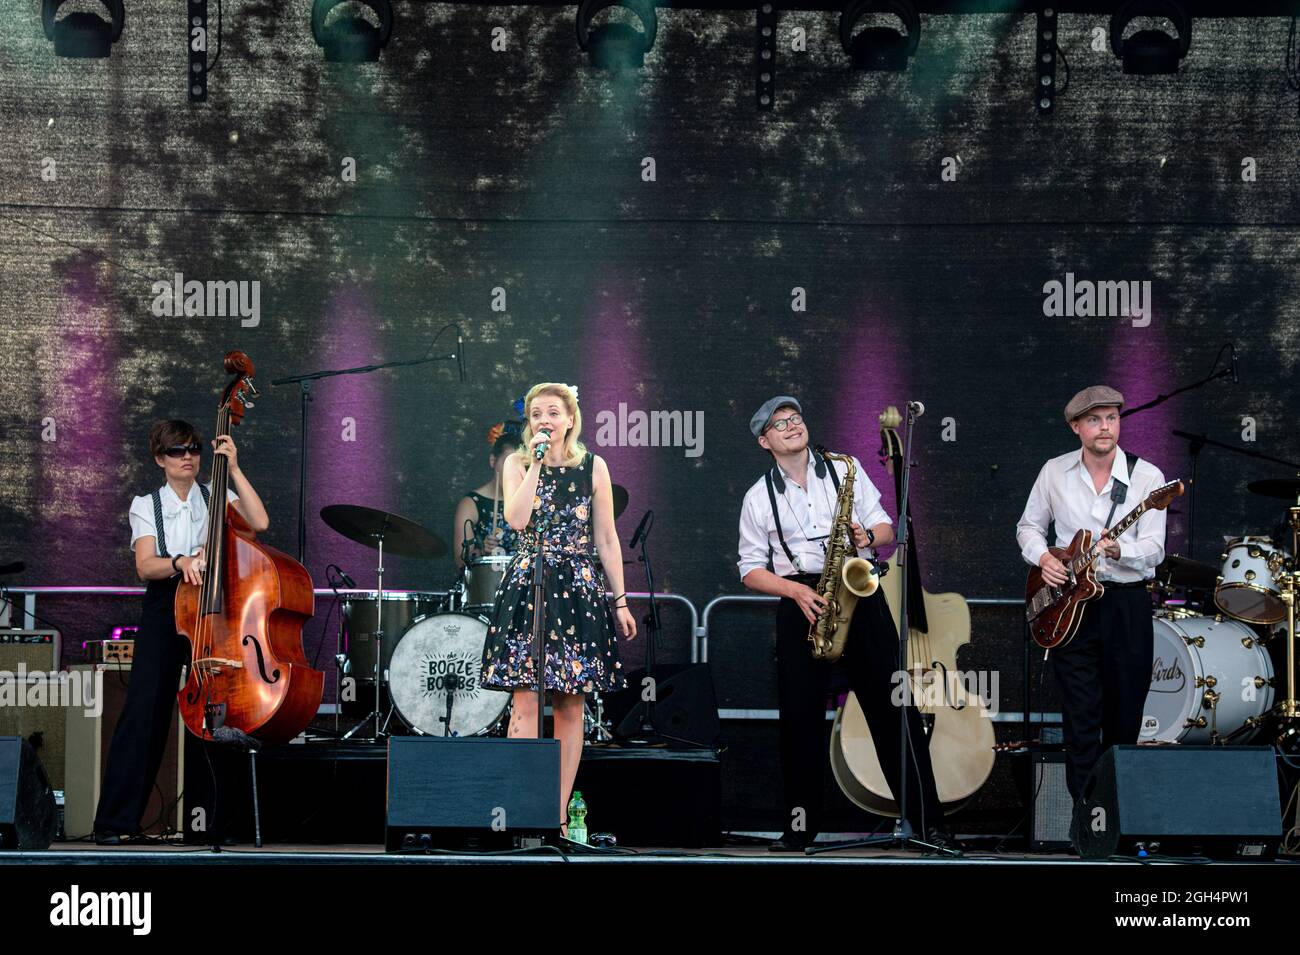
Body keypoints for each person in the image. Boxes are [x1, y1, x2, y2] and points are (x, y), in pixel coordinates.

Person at [737, 396, 955, 852]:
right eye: (781, 424)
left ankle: (929, 824)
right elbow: (749, 569)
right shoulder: (758, 496)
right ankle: (799, 829)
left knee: (895, 713)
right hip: (802, 602)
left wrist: (865, 536)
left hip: (859, 592)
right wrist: (795, 590)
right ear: (765, 441)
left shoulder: (845, 468)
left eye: (796, 417)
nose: (793, 426)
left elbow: (887, 530)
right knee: (799, 722)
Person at [93, 420, 269, 844]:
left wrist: (235, 467)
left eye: (193, 449)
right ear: (160, 459)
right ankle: (115, 822)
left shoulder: (216, 494)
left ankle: (220, 821)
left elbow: (259, 522)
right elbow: (145, 565)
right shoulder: (146, 504)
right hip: (166, 607)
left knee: (220, 710)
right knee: (145, 712)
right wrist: (180, 562)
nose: (187, 457)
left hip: (211, 609)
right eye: (176, 451)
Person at [478, 383, 636, 834]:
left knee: (570, 704)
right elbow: (517, 519)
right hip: (531, 583)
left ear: (570, 419)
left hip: (579, 588)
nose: (544, 419)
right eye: (536, 414)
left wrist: (619, 599)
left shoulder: (594, 467)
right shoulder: (518, 462)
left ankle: (559, 812)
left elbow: (606, 538)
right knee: (525, 699)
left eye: (553, 412)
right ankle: (523, 807)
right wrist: (538, 464)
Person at [1016, 385, 1166, 804]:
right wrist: (1043, 557)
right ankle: (1086, 819)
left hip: (1126, 604)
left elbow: (1155, 551)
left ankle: (1118, 819)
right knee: (1080, 720)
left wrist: (1121, 548)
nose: (1105, 427)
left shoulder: (1148, 477)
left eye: (1112, 418)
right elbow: (1027, 527)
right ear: (1076, 427)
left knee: (1124, 717)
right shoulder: (1054, 471)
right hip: (1069, 607)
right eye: (1095, 419)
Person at [453, 427, 521, 569]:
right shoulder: (471, 504)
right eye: (508, 464)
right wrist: (482, 551)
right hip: (484, 586)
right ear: (493, 461)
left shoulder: (529, 503)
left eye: (519, 465)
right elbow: (461, 562)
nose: (512, 472)